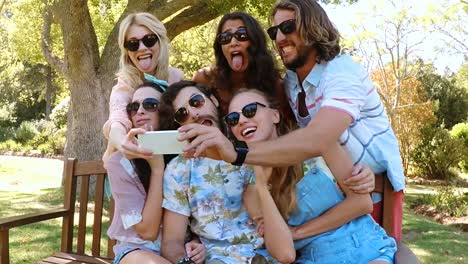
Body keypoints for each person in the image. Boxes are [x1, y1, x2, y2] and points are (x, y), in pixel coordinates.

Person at [179, 0, 405, 240]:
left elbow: (317, 139)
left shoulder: (341, 73)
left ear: (314, 27)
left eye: (288, 27)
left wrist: (236, 153)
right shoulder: (291, 83)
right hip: (320, 193)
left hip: (371, 188)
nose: (280, 38)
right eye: (274, 32)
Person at [227, 89, 397, 263]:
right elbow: (285, 254)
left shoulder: (319, 144)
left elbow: (361, 203)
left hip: (366, 247)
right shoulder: (253, 191)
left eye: (250, 110)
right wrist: (262, 186)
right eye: (233, 119)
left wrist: (296, 232)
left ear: (275, 116)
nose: (241, 120)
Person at [158, 81, 295, 264]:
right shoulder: (179, 169)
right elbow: (172, 242)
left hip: (271, 254)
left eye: (196, 101)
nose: (194, 113)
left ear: (213, 100)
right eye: (182, 114)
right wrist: (187, 259)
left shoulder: (251, 140)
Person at [106, 82, 205, 264]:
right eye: (134, 107)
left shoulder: (185, 153)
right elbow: (148, 231)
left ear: (165, 112)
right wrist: (157, 170)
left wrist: (198, 242)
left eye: (150, 104)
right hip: (137, 250)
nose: (140, 111)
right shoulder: (119, 162)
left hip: (181, 251)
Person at [102, 12, 184, 165]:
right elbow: (117, 121)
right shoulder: (124, 85)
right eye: (133, 44)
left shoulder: (176, 78)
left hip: (172, 166)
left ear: (160, 41)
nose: (141, 48)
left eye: (149, 40)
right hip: (130, 167)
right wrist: (122, 144)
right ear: (126, 50)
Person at [192, 11, 292, 120]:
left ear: (255, 41)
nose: (233, 42)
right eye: (226, 37)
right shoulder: (205, 79)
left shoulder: (276, 86)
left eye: (242, 35)